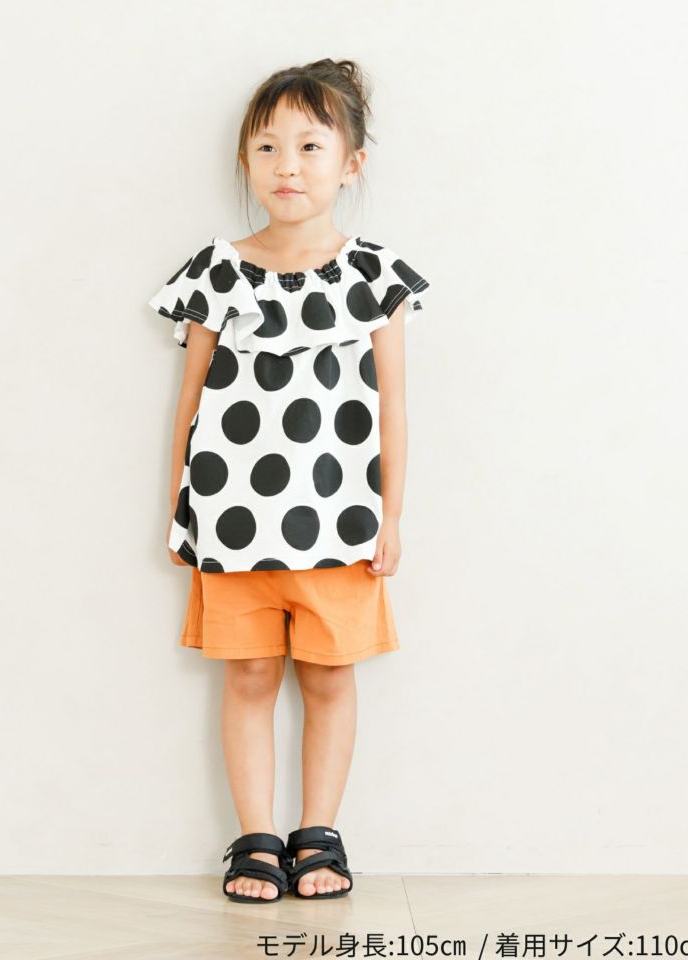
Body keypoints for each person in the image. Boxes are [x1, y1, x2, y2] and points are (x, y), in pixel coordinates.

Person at [147, 57, 430, 904]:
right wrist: (179, 512)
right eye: (267, 147)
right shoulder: (217, 270)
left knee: (330, 679)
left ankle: (319, 835)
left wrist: (391, 517)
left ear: (351, 163)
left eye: (310, 146)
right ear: (246, 162)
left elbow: (392, 406)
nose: (287, 166)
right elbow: (189, 402)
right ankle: (255, 841)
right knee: (247, 679)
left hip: (341, 525)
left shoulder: (375, 276)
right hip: (233, 524)